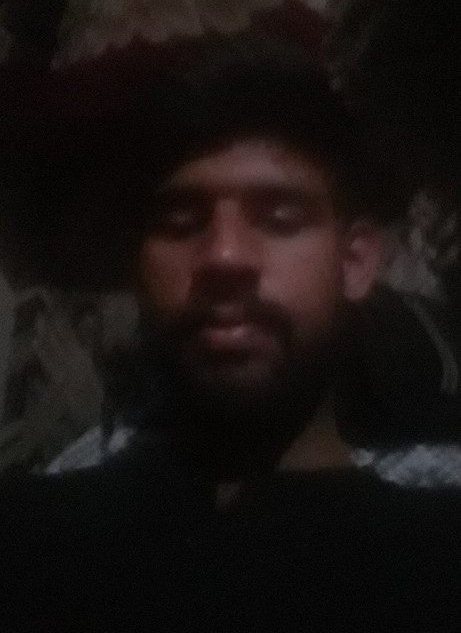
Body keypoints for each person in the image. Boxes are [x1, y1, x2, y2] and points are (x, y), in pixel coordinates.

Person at [0, 38, 460, 632]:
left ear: (355, 262)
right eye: (179, 221)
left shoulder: (441, 558)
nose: (223, 256)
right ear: (137, 266)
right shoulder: (26, 541)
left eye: (279, 218)